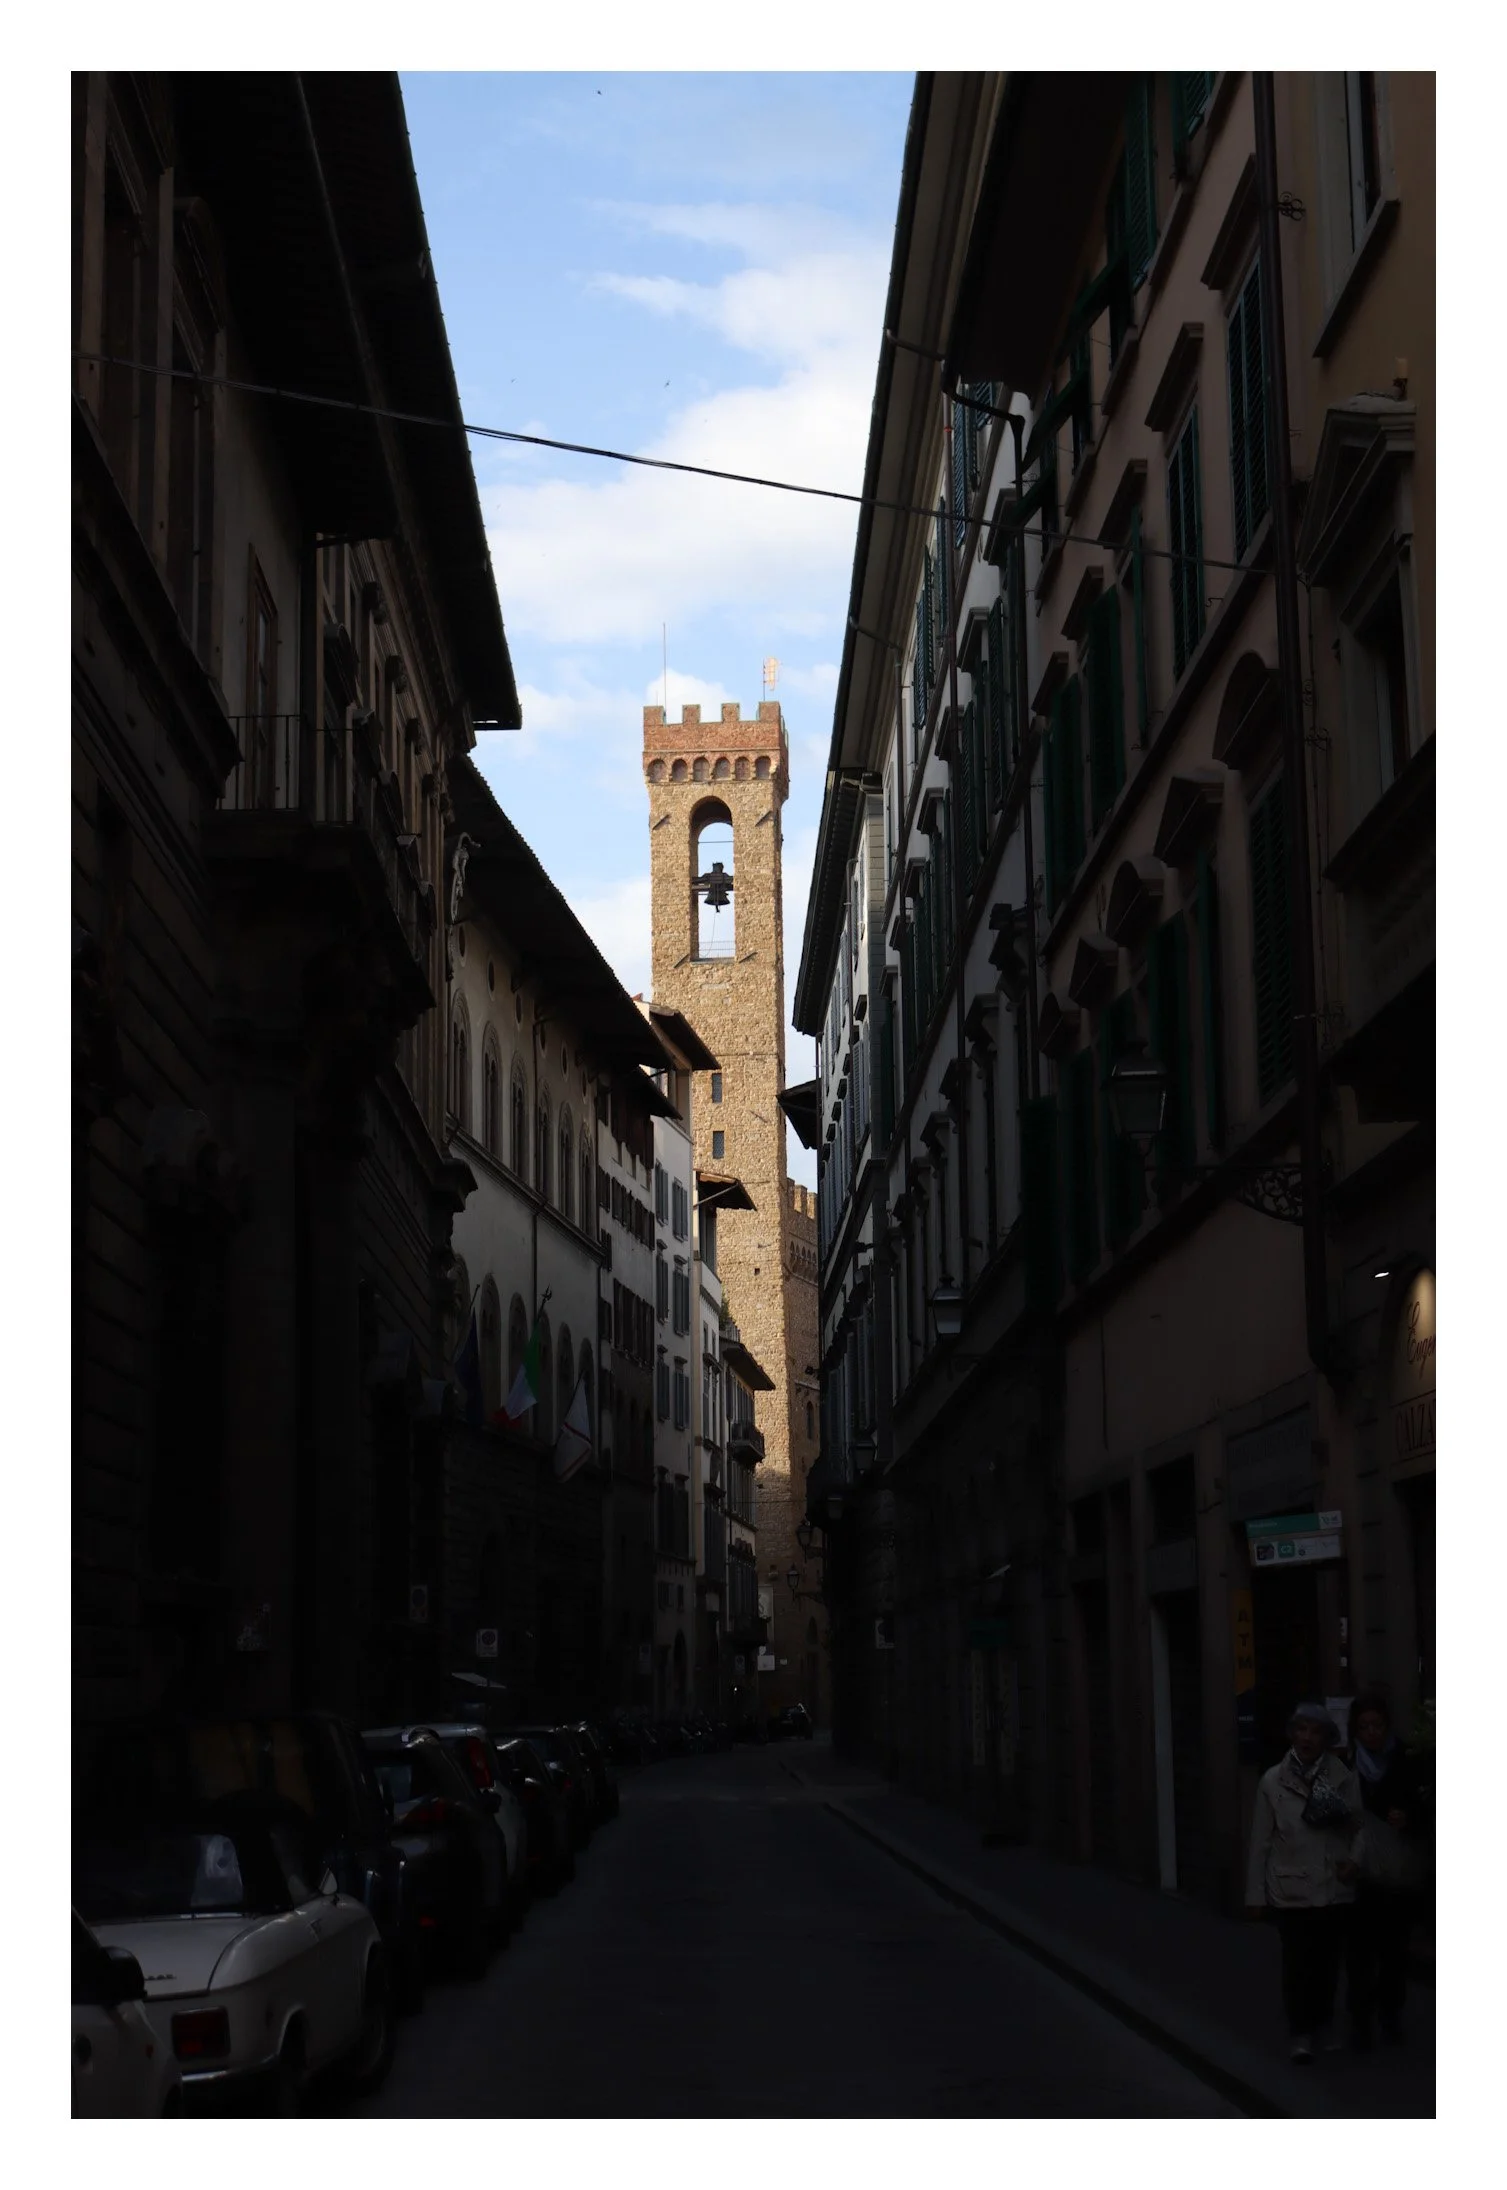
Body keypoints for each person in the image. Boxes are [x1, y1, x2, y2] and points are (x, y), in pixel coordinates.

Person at [1245, 1702, 1364, 2063]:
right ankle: (1300, 2031)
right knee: (1297, 1965)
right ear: (1292, 1734)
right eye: (1302, 1730)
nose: (1307, 1738)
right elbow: (1261, 1841)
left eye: (1315, 1731)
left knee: (1327, 1964)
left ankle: (1323, 2025)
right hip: (1291, 1887)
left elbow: (1358, 1827)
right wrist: (1255, 1894)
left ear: (1327, 1738)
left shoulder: (1341, 1775)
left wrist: (1353, 1863)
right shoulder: (1273, 1780)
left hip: (1332, 1885)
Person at [1344, 1690, 1429, 2047]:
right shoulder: (1346, 1766)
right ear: (1356, 1731)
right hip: (1360, 1874)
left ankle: (1390, 2017)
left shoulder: (1408, 1760)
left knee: (1394, 1952)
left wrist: (1408, 1818)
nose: (1372, 1733)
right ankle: (1361, 2023)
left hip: (1396, 1873)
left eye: (1377, 1725)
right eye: (1364, 1727)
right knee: (1360, 1954)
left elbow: (1430, 1806)